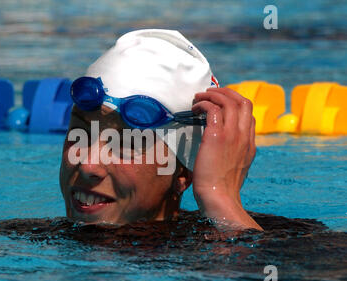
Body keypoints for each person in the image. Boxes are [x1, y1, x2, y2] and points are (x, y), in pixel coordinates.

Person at [59, 29, 263, 231]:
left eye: (127, 143)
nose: (88, 165)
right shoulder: (34, 240)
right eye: (81, 135)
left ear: (183, 173)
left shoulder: (272, 243)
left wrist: (220, 198)